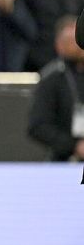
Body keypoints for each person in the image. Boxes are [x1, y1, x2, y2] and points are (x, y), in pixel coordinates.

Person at [28, 16, 84, 161]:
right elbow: (38, 126)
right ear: (59, 45)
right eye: (71, 41)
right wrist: (73, 146)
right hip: (63, 160)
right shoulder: (51, 79)